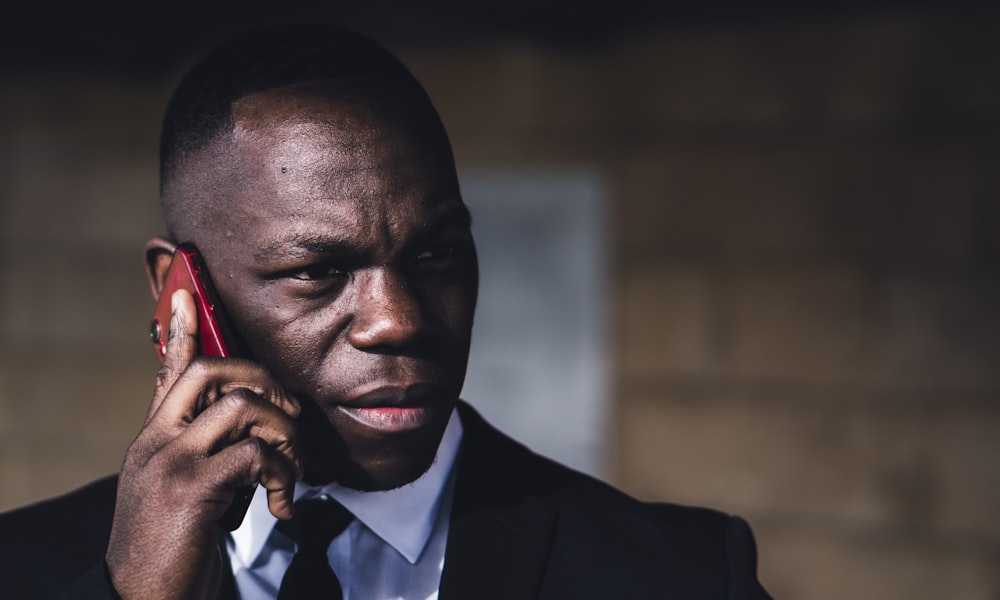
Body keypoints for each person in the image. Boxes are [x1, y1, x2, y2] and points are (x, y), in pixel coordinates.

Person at [0, 21, 772, 600]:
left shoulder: (684, 575)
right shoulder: (29, 564)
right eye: (319, 271)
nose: (396, 320)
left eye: (435, 255)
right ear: (179, 294)